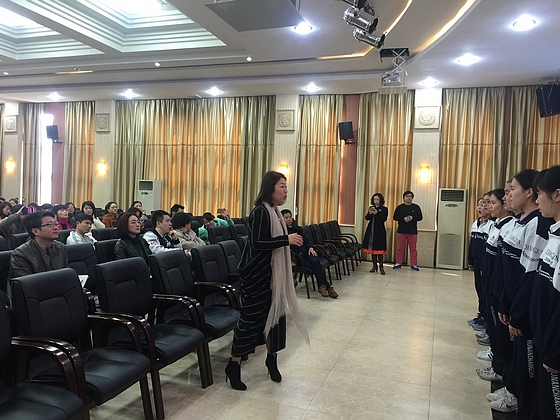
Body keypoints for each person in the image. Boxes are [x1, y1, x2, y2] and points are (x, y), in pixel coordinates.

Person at [226, 171, 308, 391]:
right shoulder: (260, 212)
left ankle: (272, 360)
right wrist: (285, 239)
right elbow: (258, 243)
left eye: (286, 186)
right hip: (258, 276)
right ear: (270, 188)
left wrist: (286, 240)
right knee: (250, 321)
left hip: (273, 275)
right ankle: (234, 364)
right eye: (282, 186)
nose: (285, 190)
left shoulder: (276, 212)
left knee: (276, 320)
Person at [496, 169, 551, 417]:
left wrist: (517, 311)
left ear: (529, 193)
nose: (507, 196)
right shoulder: (520, 222)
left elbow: (528, 275)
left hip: (526, 312)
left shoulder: (538, 224)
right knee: (517, 360)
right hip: (512, 302)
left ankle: (520, 401)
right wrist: (504, 302)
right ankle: (513, 391)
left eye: (512, 190)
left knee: (528, 369)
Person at [528, 166, 560, 420]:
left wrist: (555, 349)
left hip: (554, 348)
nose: (537, 201)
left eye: (539, 194)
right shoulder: (554, 234)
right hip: (543, 339)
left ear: (557, 195)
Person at [281, 209, 338, 298]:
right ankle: (326, 286)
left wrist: (310, 248)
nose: (288, 219)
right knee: (315, 265)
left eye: (290, 217)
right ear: (281, 219)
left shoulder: (297, 228)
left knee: (315, 261)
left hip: (306, 251)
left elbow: (307, 239)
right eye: (286, 218)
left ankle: (323, 286)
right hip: (296, 256)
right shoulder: (281, 231)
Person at [8, 211, 68, 282]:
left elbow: (66, 275)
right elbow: (26, 284)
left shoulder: (61, 248)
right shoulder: (20, 254)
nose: (56, 228)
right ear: (35, 231)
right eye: (49, 224)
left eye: (56, 224)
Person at [467, 195, 493, 329]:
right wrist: (470, 261)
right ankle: (481, 314)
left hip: (485, 264)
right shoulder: (475, 224)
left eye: (484, 204)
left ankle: (486, 318)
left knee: (485, 290)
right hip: (476, 263)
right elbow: (472, 244)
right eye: (479, 204)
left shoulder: (492, 225)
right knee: (479, 288)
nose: (481, 207)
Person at [393, 190, 423, 271]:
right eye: (407, 196)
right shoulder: (399, 207)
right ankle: (398, 263)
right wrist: (403, 219)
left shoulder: (416, 207)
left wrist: (412, 218)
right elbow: (395, 217)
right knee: (399, 248)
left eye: (410, 196)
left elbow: (420, 217)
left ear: (412, 198)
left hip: (412, 231)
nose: (409, 198)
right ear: (404, 198)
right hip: (401, 230)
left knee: (413, 249)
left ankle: (414, 264)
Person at [362, 193, 388, 275]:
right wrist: (369, 213)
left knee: (379, 250)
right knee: (372, 250)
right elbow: (367, 218)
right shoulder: (371, 208)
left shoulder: (384, 209)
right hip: (371, 230)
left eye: (377, 199)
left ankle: (381, 267)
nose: (376, 201)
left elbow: (383, 219)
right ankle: (374, 266)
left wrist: (377, 213)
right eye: (374, 199)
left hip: (379, 231)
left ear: (380, 200)